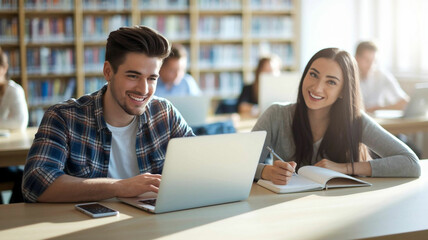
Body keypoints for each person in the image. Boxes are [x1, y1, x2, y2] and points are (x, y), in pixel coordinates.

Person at [22, 26, 194, 203]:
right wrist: (120, 187)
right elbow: (36, 183)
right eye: (133, 76)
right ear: (108, 72)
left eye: (152, 78)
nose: (144, 89)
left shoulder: (164, 113)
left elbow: (201, 167)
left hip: (151, 225)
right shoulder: (64, 117)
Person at [252, 48, 420, 185]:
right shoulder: (276, 114)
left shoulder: (355, 120)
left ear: (343, 92)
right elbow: (239, 167)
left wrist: (344, 168)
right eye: (313, 74)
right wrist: (265, 171)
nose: (317, 88)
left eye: (331, 82)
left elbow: (411, 163)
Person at [0, 47, 28, 203]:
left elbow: (19, 122)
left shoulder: (13, 90)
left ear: (4, 68)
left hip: (7, 152)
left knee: (24, 176)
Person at [355, 41, 409, 113]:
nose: (371, 65)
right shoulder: (347, 77)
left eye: (374, 61)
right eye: (367, 60)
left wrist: (378, 109)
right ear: (356, 58)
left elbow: (404, 102)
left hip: (378, 120)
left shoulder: (382, 75)